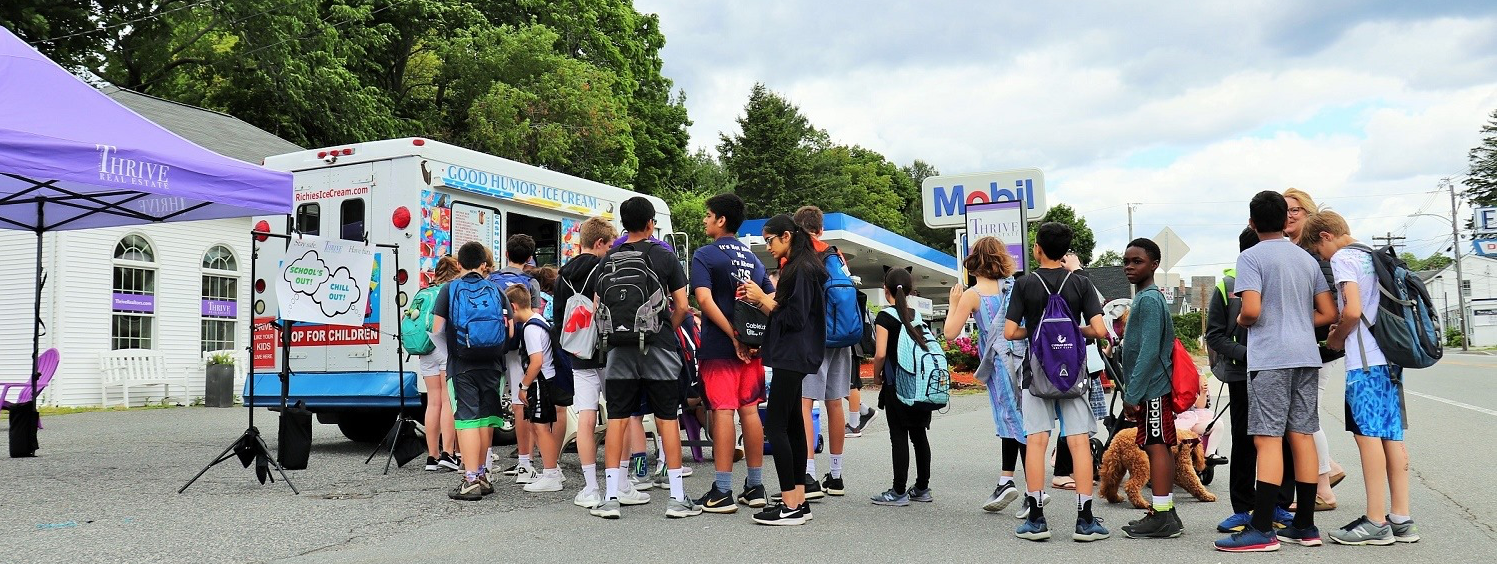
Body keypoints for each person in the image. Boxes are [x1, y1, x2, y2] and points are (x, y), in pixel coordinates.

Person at [1215, 190, 1338, 552]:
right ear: (1286, 220)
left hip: (1271, 358)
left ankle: (1263, 528)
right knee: (1302, 434)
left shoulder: (1250, 257)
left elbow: (1250, 310)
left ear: (1252, 222)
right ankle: (1305, 526)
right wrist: (1299, 323)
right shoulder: (1305, 259)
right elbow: (1328, 312)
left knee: (1267, 438)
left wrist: (1241, 318)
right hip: (1306, 356)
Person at [1305, 210, 1418, 545]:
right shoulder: (1374, 256)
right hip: (1390, 358)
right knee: (1391, 437)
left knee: (1368, 438)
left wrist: (1336, 338)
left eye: (1318, 250)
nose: (1321, 257)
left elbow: (1352, 309)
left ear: (1326, 236)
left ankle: (1375, 521)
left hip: (1365, 363)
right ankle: (1401, 518)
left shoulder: (1344, 258)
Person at [588, 197, 702, 520]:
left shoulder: (609, 258)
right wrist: (666, 327)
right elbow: (682, 304)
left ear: (623, 224)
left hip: (619, 349)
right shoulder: (664, 256)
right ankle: (677, 498)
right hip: (659, 345)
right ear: (651, 223)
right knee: (667, 417)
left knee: (618, 419)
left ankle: (610, 497)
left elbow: (598, 304)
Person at [1003, 221, 1110, 542]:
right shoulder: (1080, 283)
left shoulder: (1025, 284)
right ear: (1065, 252)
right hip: (1073, 371)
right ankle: (1085, 519)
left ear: (1037, 248)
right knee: (1078, 443)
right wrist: (1072, 332)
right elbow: (1100, 330)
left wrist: (1037, 332)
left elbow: (1010, 332)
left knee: (1037, 441)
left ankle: (1036, 518)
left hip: (1036, 372)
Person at [1207, 228, 1297, 533]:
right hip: (1241, 373)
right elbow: (1214, 335)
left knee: (1282, 438)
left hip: (1280, 369)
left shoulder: (1285, 278)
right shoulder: (1228, 286)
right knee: (1245, 441)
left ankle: (1279, 506)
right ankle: (1243, 508)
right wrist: (1247, 354)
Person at [741, 214, 827, 525]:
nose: (769, 247)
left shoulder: (800, 268)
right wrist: (761, 299)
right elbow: (790, 313)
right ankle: (799, 500)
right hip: (796, 354)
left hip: (792, 354)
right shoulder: (803, 265)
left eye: (770, 240)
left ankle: (790, 503)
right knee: (791, 425)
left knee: (776, 426)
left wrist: (763, 297)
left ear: (787, 236)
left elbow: (794, 317)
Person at [690, 193, 772, 513]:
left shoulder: (705, 255)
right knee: (749, 412)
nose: (705, 220)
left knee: (723, 412)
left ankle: (722, 491)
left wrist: (732, 335)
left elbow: (705, 302)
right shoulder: (751, 258)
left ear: (721, 220)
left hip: (720, 348)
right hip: (753, 349)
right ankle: (755, 486)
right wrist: (747, 337)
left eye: (708, 215)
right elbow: (769, 299)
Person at [944, 236, 1030, 514]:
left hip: (998, 362)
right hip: (1023, 358)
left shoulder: (972, 295)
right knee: (1018, 417)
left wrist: (952, 302)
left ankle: (1032, 490)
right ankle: (1006, 480)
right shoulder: (1014, 287)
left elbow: (950, 333)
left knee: (1014, 421)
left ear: (974, 261)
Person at [1283, 187, 1348, 510]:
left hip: (1321, 348)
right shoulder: (1295, 250)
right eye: (1284, 210)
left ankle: (1323, 488)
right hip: (1307, 347)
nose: (1290, 215)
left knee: (1305, 417)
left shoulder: (1312, 252)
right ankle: (1328, 470)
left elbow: (1331, 306)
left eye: (1296, 209)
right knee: (1304, 416)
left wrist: (1290, 320)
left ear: (1309, 214)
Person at [557, 218, 628, 509]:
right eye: (609, 244)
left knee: (586, 418)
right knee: (619, 415)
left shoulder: (562, 274)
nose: (611, 249)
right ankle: (620, 483)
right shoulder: (606, 268)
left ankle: (590, 487)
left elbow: (559, 317)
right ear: (600, 243)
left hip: (578, 352)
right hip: (608, 351)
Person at [1118, 238, 1184, 539]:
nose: (1129, 267)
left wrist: (1131, 394)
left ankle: (1161, 515)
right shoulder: (1146, 297)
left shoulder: (1148, 299)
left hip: (1152, 388)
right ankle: (1166, 512)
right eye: (1126, 261)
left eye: (1137, 261)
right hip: (1151, 387)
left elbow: (1148, 351)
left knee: (1157, 446)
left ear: (1154, 264)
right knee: (1157, 445)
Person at [431, 241, 508, 501]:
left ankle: (470, 479)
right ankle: (483, 475)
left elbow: (437, 328)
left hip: (461, 364)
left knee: (466, 420)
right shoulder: (497, 290)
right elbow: (508, 330)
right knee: (486, 419)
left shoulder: (449, 289)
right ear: (484, 265)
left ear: (459, 265)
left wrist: (452, 350)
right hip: (494, 365)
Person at [792, 205, 853, 498]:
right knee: (835, 403)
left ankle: (809, 474)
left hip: (814, 338)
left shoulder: (802, 253)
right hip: (841, 338)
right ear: (821, 229)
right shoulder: (836, 255)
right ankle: (837, 476)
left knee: (804, 403)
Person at [869, 266, 936, 507]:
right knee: (919, 436)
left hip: (897, 384)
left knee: (899, 436)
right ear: (909, 290)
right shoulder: (915, 315)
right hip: (920, 384)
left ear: (885, 289)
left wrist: (876, 376)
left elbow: (880, 354)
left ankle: (898, 491)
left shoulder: (885, 317)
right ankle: (922, 487)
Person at [505, 284, 569, 494]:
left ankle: (551, 474)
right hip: (547, 381)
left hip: (540, 382)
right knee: (537, 426)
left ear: (514, 306)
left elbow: (536, 362)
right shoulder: (539, 320)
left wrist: (523, 386)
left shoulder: (530, 329)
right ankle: (553, 469)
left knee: (541, 428)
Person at [494, 234, 546, 483]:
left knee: (490, 399)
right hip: (519, 349)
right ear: (529, 258)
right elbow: (532, 316)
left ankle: (483, 460)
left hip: (493, 346)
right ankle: (525, 461)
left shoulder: (491, 279)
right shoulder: (531, 282)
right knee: (519, 401)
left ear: (505, 254)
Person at [421, 256, 462, 472]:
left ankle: (432, 456)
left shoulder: (424, 292)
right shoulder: (451, 290)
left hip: (425, 349)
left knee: (433, 402)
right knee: (448, 401)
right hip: (443, 347)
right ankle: (448, 453)